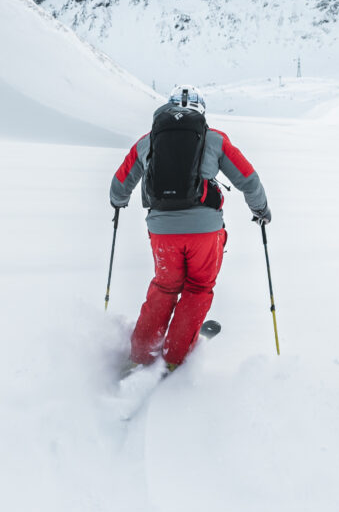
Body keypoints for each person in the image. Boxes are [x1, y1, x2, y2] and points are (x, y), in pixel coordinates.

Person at [109, 89, 270, 369]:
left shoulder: (148, 141)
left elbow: (119, 185)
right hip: (205, 232)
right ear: (202, 112)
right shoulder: (215, 139)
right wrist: (260, 209)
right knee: (198, 287)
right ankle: (174, 356)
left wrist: (118, 202)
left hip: (161, 231)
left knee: (164, 286)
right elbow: (248, 178)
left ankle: (140, 354)